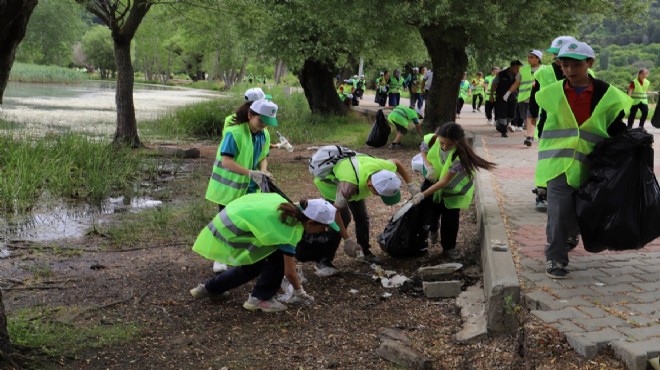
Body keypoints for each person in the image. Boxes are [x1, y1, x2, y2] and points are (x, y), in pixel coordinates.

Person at [535, 40, 631, 279]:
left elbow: (615, 125)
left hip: (592, 165)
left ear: (590, 63)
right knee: (557, 211)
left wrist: (632, 143)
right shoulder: (551, 93)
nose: (569, 70)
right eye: (565, 65)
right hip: (559, 162)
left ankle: (572, 232)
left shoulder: (607, 94)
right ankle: (556, 258)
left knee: (581, 209)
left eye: (576, 65)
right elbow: (543, 124)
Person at [189, 193, 340, 312]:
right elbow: (289, 272)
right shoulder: (290, 229)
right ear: (310, 222)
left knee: (254, 264)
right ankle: (261, 299)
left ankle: (210, 288)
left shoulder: (286, 206)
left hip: (227, 220)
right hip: (232, 230)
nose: (325, 230)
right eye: (324, 227)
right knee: (277, 259)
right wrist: (299, 291)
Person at [207, 99, 277, 273]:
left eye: (267, 123)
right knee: (225, 222)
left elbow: (262, 156)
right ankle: (219, 258)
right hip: (228, 187)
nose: (263, 126)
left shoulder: (264, 134)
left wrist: (264, 171)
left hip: (250, 186)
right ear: (250, 115)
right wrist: (250, 173)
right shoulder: (234, 133)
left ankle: (242, 255)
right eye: (261, 121)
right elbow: (226, 161)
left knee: (247, 221)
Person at [314, 155, 418, 264]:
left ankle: (365, 252)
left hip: (355, 179)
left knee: (362, 217)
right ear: (370, 185)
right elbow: (335, 212)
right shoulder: (348, 188)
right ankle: (324, 261)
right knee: (344, 219)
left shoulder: (383, 167)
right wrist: (347, 240)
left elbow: (396, 162)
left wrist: (410, 184)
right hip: (331, 185)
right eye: (380, 194)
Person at [412, 123, 495, 259]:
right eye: (442, 143)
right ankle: (433, 229)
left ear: (457, 142)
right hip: (433, 180)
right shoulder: (432, 139)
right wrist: (428, 166)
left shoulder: (460, 156)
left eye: (449, 145)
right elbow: (423, 150)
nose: (445, 147)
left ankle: (449, 248)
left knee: (450, 219)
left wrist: (422, 194)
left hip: (452, 191)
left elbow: (444, 182)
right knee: (430, 211)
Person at [530, 36, 577, 210]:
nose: (557, 59)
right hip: (549, 124)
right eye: (555, 55)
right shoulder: (543, 72)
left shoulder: (585, 73)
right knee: (547, 159)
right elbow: (535, 95)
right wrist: (533, 115)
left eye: (560, 54)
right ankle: (542, 192)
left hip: (575, 125)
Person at [509, 50, 545, 146]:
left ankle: (530, 137)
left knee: (530, 116)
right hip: (523, 98)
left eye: (532, 57)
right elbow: (517, 83)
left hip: (537, 97)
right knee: (526, 117)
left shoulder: (544, 69)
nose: (529, 59)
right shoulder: (523, 69)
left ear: (538, 58)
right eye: (528, 57)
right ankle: (532, 134)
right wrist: (509, 92)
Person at [490, 61, 522, 137]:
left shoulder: (519, 75)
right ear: (512, 67)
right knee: (503, 113)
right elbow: (494, 84)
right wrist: (491, 95)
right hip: (501, 97)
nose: (518, 69)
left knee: (512, 114)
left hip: (513, 96)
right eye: (517, 68)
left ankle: (501, 124)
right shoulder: (501, 74)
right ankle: (503, 130)